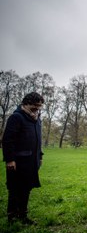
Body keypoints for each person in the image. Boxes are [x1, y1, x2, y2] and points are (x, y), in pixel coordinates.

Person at [2, 92, 45, 224]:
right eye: (34, 106)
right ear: (26, 104)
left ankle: (23, 215)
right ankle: (12, 217)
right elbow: (8, 140)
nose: (37, 109)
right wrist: (10, 159)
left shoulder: (36, 119)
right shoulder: (16, 117)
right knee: (15, 189)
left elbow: (38, 140)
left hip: (32, 161)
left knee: (26, 188)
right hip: (18, 161)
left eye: (39, 107)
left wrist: (40, 156)